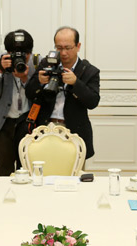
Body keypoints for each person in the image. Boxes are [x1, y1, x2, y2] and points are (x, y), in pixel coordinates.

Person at [25, 26, 101, 160]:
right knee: (45, 174)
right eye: (59, 48)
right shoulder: (47, 64)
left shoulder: (89, 71)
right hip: (46, 127)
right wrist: (39, 81)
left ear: (78, 46)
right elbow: (29, 93)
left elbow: (93, 101)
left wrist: (76, 83)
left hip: (73, 130)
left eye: (68, 48)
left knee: (74, 176)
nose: (63, 53)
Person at [0, 29, 37, 176]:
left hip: (27, 121)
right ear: (7, 52)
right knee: (4, 170)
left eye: (25, 54)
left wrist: (25, 78)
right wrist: (0, 70)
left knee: (26, 169)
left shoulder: (36, 63)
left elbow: (40, 93)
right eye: (14, 53)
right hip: (3, 123)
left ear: (30, 53)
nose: (20, 58)